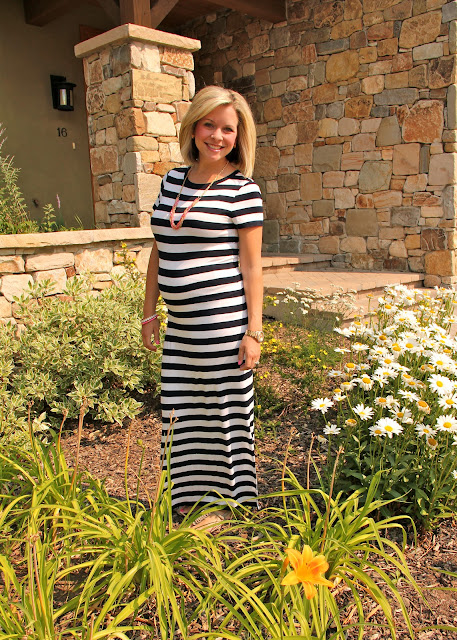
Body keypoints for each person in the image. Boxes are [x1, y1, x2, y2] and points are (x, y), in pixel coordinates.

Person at [142, 85, 264, 527]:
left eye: (228, 129)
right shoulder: (171, 180)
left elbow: (252, 266)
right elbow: (159, 248)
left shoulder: (242, 190)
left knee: (225, 414)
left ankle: (231, 504)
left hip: (223, 326)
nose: (217, 136)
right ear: (194, 127)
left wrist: (253, 332)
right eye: (209, 124)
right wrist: (149, 311)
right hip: (180, 328)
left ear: (239, 136)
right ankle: (186, 498)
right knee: (181, 411)